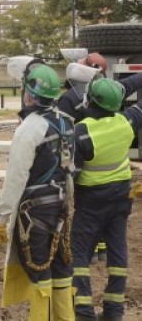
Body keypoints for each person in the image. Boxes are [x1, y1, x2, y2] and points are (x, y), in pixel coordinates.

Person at [0, 63, 75, 321]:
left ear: (29, 95)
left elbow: (16, 177)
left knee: (39, 272)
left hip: (35, 214)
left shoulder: (30, 128)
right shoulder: (67, 122)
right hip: (60, 207)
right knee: (61, 270)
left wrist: (2, 216)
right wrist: (68, 205)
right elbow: (68, 169)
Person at [71, 77, 142, 321]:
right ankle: (114, 312)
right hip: (121, 198)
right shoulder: (126, 122)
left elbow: (72, 172)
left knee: (79, 255)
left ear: (90, 100)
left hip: (90, 201)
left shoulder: (81, 132)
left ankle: (84, 312)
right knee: (118, 252)